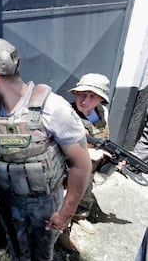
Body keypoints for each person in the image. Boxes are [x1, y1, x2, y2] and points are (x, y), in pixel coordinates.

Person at [0, 38, 92, 260]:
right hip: (7, 198)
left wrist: (66, 213)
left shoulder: (53, 108)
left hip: (46, 205)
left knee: (44, 252)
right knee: (18, 250)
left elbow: (81, 165)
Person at [58, 73, 112, 249]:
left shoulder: (102, 112)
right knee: (64, 199)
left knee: (86, 192)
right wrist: (86, 154)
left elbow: (104, 137)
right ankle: (62, 230)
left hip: (90, 168)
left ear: (100, 99)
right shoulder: (66, 114)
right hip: (66, 168)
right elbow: (55, 144)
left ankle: (80, 216)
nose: (84, 100)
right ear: (75, 93)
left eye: (92, 96)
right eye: (82, 93)